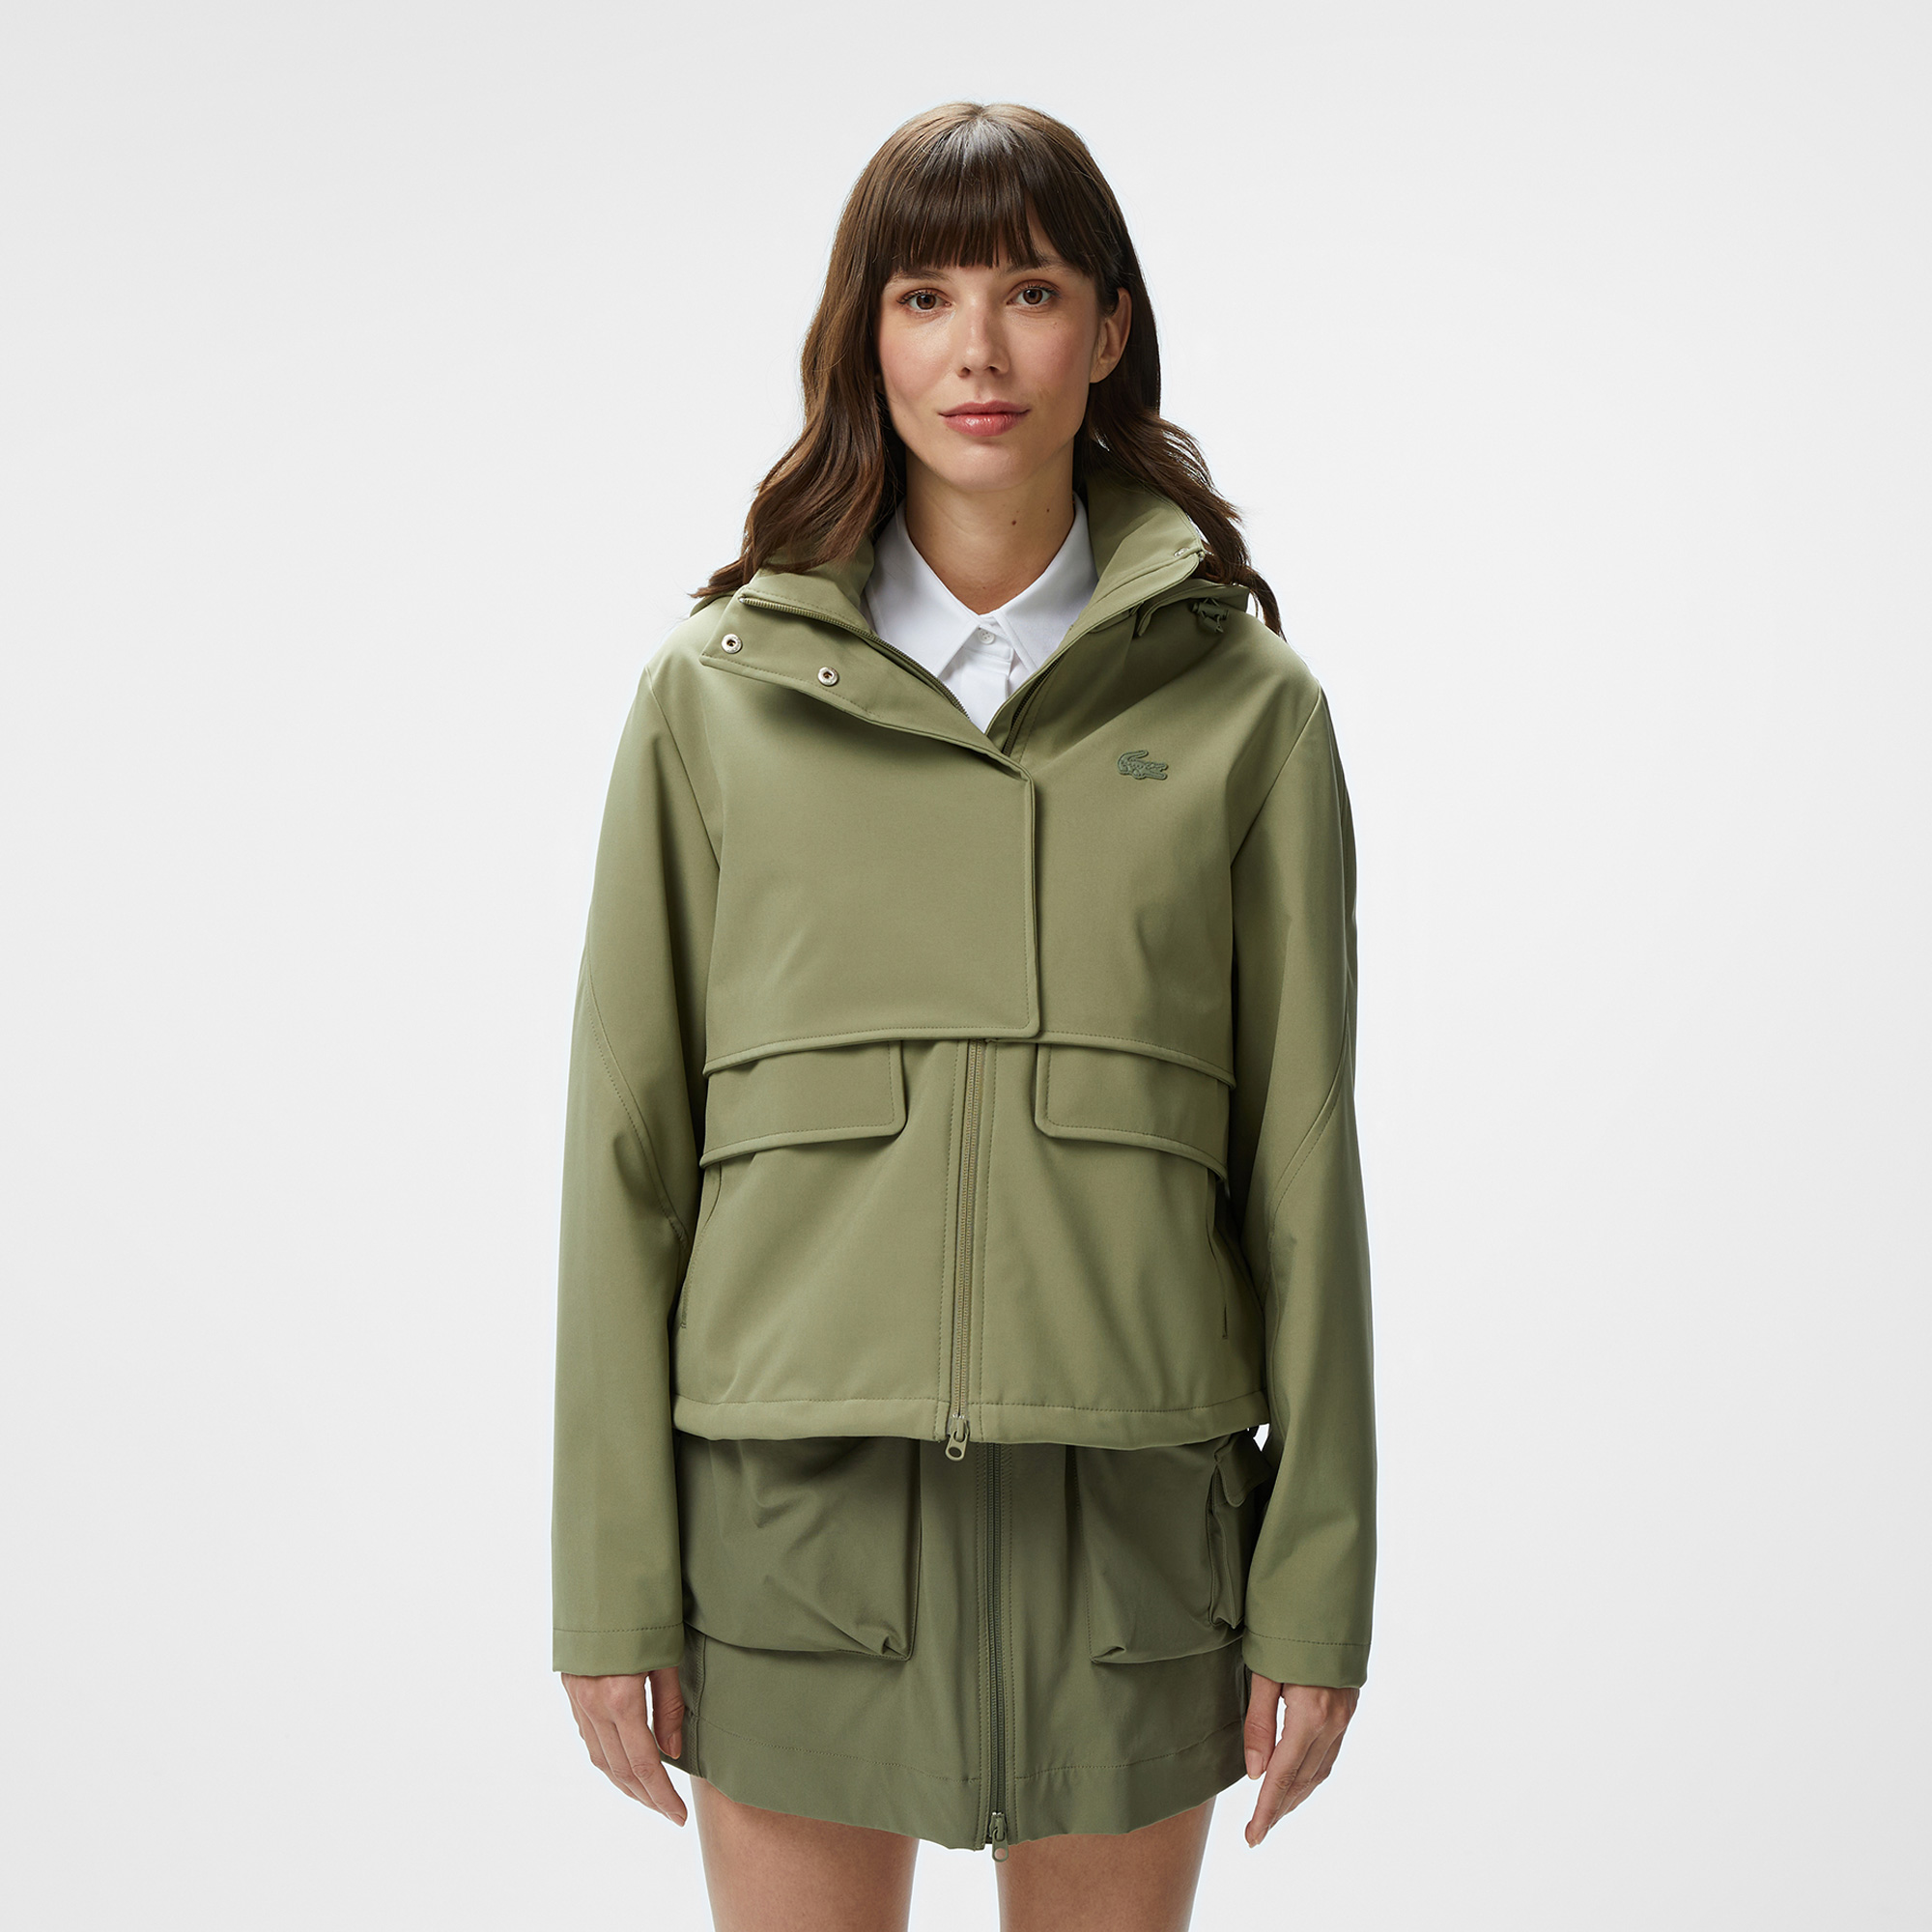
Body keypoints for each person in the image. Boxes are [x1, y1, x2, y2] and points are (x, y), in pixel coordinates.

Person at [552, 100, 1376, 1932]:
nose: (979, 349)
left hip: (1133, 1552)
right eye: (924, 296)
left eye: (1032, 290)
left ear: (1111, 329)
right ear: (865, 336)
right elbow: (626, 1155)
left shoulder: (1250, 711)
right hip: (791, 1544)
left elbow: (1304, 1168)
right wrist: (609, 1587)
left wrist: (1318, 1594)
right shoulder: (715, 699)